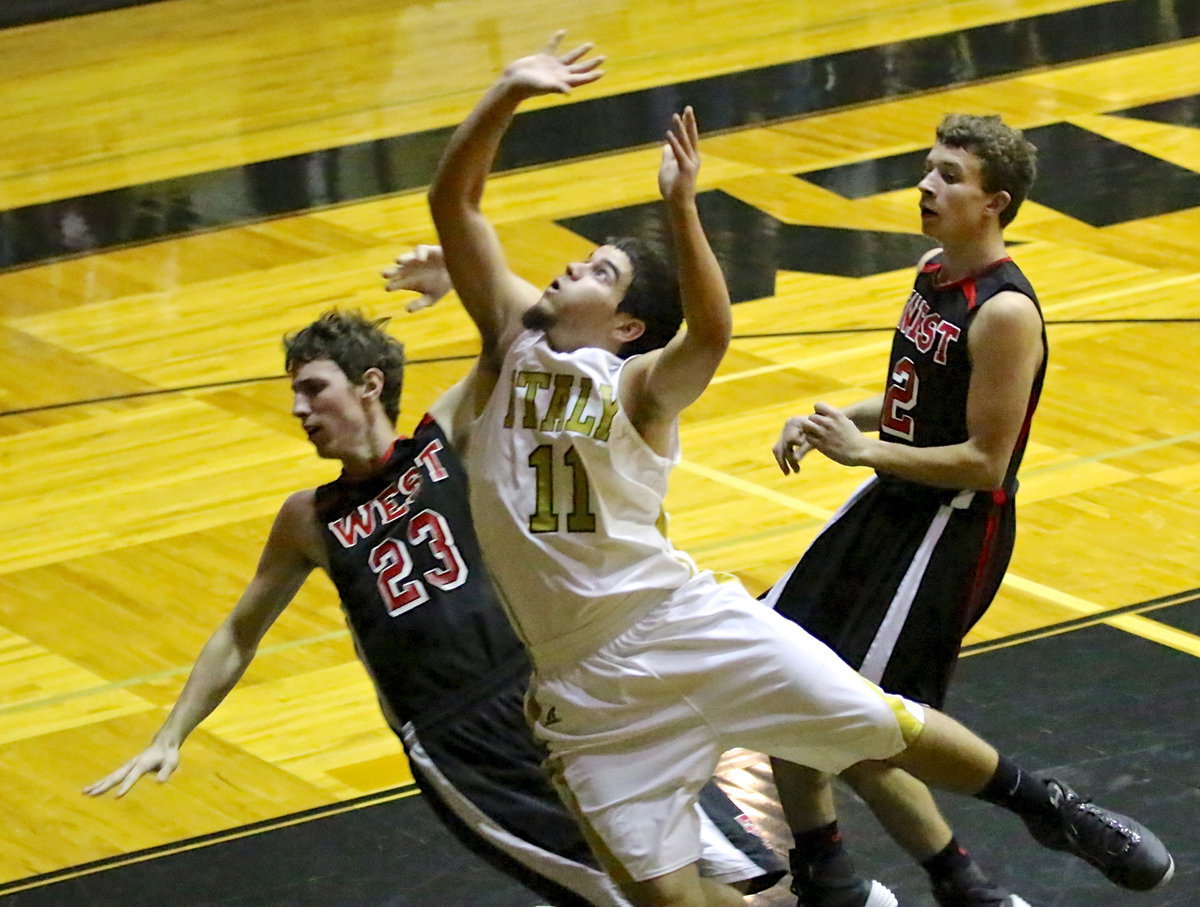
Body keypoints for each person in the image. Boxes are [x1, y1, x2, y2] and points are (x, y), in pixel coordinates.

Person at [424, 31, 1173, 907]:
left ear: (627, 325)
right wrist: (508, 90)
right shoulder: (515, 336)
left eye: (596, 270)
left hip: (681, 615)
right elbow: (456, 204)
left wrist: (683, 208)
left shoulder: (637, 386)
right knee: (665, 895)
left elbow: (712, 334)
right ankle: (831, 882)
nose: (564, 265)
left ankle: (1037, 808)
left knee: (869, 716)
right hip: (577, 674)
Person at [83, 307, 786, 906]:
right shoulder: (308, 517)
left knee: (701, 875)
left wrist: (451, 252)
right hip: (457, 741)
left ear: (369, 384)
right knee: (627, 892)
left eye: (311, 389)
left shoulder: (444, 434)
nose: (298, 410)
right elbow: (240, 632)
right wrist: (173, 731)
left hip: (555, 690)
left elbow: (506, 327)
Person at [760, 114, 1047, 907]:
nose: (926, 185)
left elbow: (987, 460)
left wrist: (864, 452)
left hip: (954, 525)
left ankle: (965, 884)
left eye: (950, 175)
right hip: (891, 500)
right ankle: (827, 871)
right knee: (788, 670)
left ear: (996, 201)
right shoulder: (931, 271)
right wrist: (841, 420)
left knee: (860, 720)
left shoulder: (1006, 313)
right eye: (929, 169)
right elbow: (910, 400)